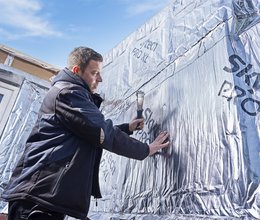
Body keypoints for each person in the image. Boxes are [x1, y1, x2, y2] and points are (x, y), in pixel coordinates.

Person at [1, 46, 170, 220]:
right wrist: (146, 149)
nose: (100, 79)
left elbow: (87, 131)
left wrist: (128, 128)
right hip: (36, 202)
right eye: (94, 73)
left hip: (41, 200)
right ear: (76, 71)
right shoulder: (67, 93)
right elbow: (100, 131)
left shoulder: (68, 93)